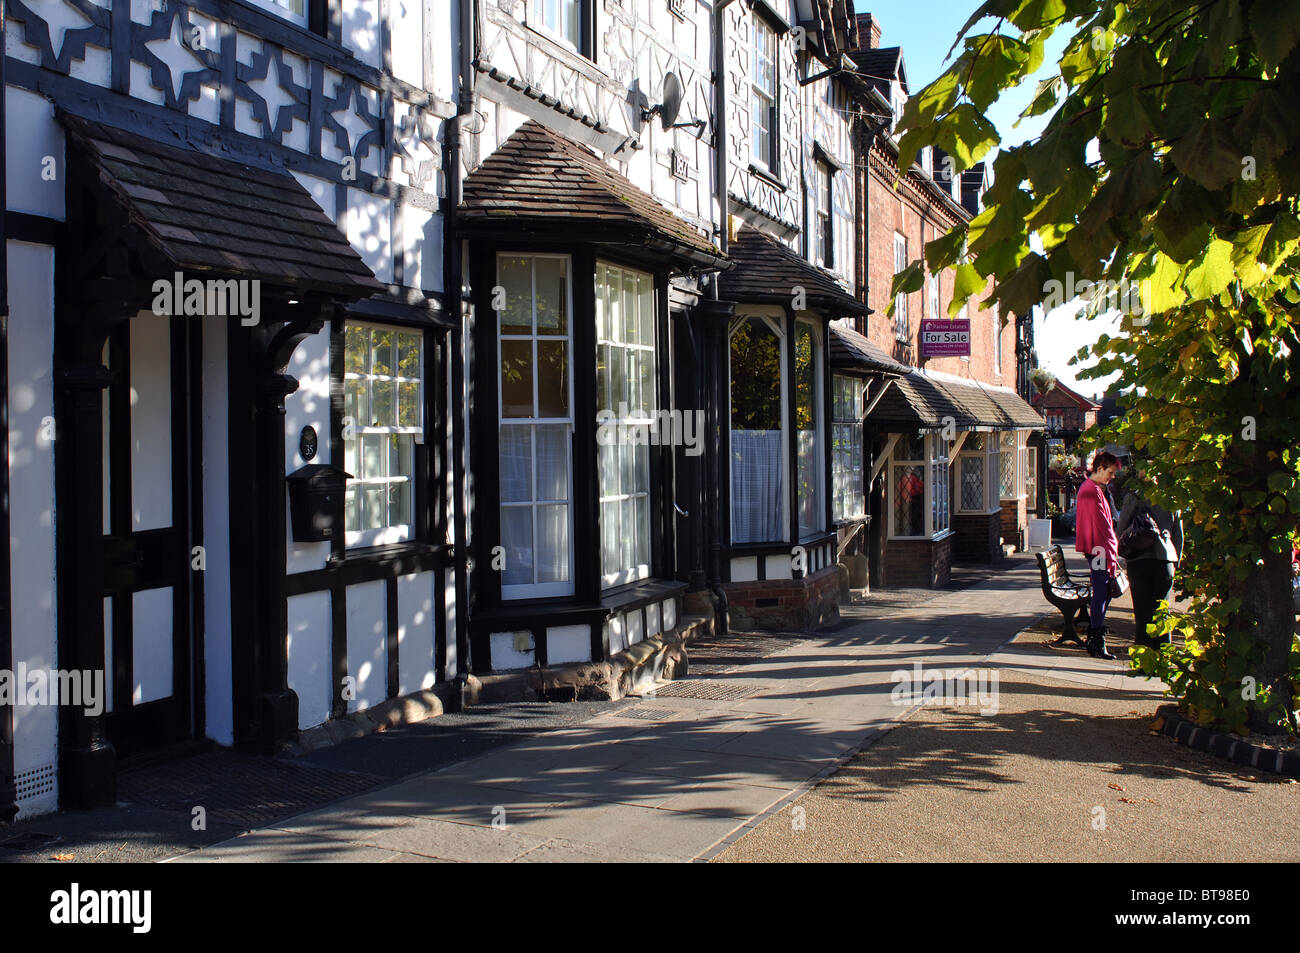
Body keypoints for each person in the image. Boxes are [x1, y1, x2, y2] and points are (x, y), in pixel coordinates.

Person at [1117, 476, 1183, 648]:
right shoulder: (1170, 499)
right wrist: (1176, 562)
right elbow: (1178, 534)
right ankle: (1163, 653)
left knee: (1142, 611)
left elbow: (1121, 528)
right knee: (1162, 609)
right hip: (1165, 560)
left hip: (1139, 559)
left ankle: (1143, 654)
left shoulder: (1133, 498)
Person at [1075, 451, 1122, 658]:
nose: (1110, 477)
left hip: (1097, 547)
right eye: (1110, 472)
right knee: (1102, 591)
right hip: (1099, 548)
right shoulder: (1092, 491)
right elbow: (1104, 525)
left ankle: (1096, 637)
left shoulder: (1091, 489)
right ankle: (1096, 638)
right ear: (1100, 468)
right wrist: (1114, 546)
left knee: (1103, 590)